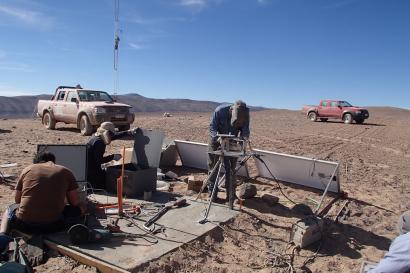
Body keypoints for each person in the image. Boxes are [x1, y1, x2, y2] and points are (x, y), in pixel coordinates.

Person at [0, 152, 84, 234]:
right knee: (80, 209)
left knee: (9, 209)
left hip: (24, 225)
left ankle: (3, 235)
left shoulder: (27, 169)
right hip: (54, 226)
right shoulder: (65, 171)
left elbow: (17, 200)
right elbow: (75, 202)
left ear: (36, 162)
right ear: (53, 162)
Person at [207, 100, 250, 207]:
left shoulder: (245, 114)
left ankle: (231, 195)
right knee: (213, 168)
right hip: (216, 140)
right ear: (231, 110)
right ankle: (212, 194)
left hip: (232, 141)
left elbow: (245, 130)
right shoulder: (220, 111)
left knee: (231, 169)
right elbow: (212, 127)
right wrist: (218, 138)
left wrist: (243, 139)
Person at [87, 122, 139, 189]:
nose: (111, 136)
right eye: (111, 134)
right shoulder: (99, 143)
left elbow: (115, 136)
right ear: (107, 133)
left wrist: (128, 132)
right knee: (105, 183)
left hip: (88, 167)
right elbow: (99, 161)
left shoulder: (96, 136)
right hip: (92, 170)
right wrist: (113, 157)